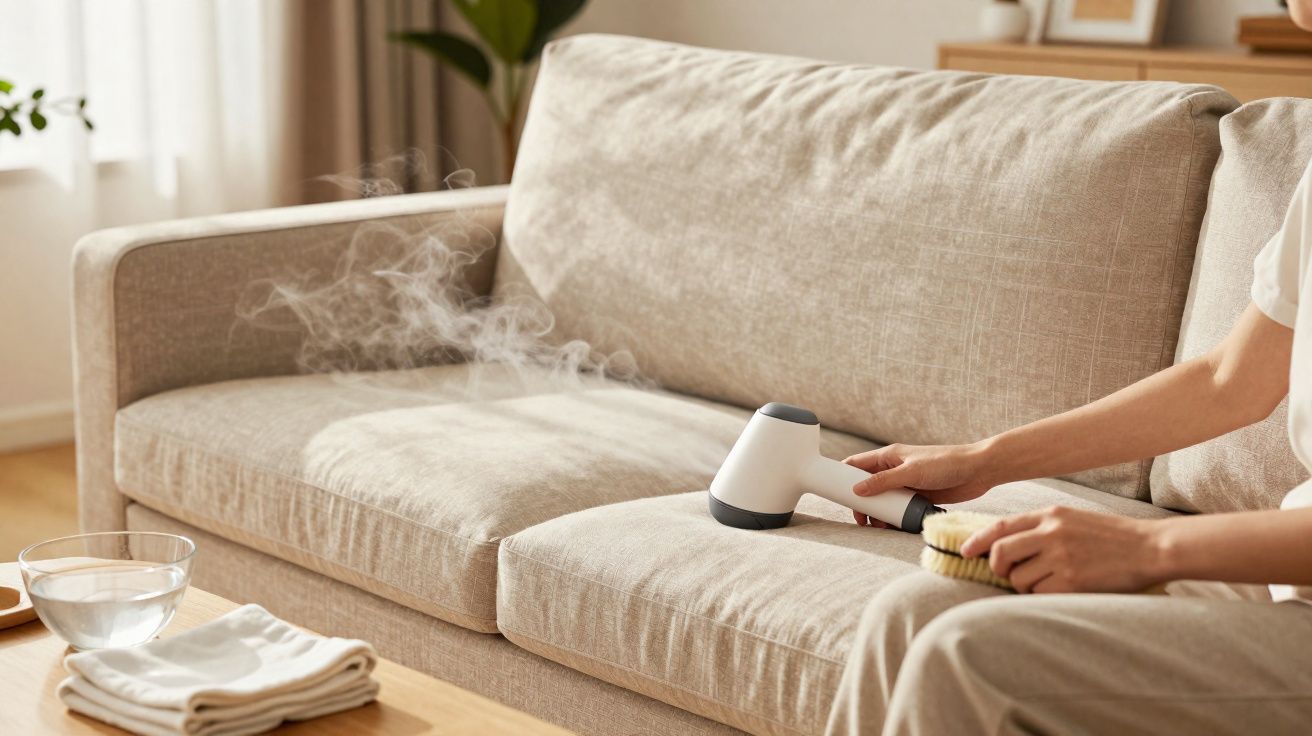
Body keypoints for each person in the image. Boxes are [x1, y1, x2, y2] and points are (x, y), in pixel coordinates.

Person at [826, 4, 1312, 733]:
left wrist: (1148, 547)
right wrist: (988, 458)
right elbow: (1228, 380)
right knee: (909, 614)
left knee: (968, 658)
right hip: (1287, 587)